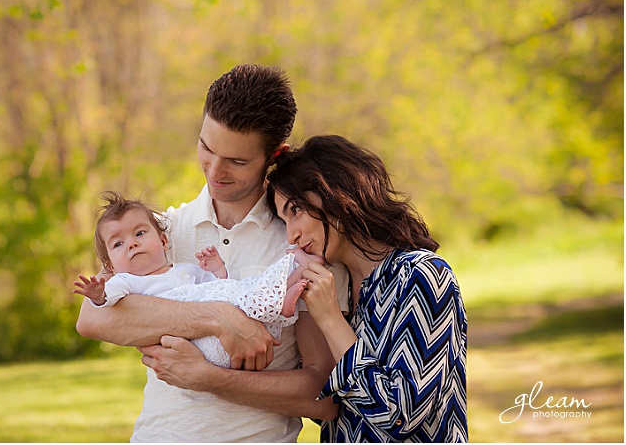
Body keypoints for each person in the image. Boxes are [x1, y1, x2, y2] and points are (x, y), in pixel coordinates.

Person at [75, 64, 345, 442]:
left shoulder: (300, 242)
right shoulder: (164, 230)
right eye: (206, 147)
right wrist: (219, 318)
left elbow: (321, 391)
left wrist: (211, 379)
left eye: (237, 161)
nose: (215, 171)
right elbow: (93, 319)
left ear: (274, 155)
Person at [156, 134, 468, 441]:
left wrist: (330, 319)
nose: (290, 236)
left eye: (295, 211)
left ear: (338, 192)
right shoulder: (339, 287)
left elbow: (401, 415)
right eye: (283, 219)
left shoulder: (422, 275)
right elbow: (325, 404)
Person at [73, 191, 308, 368]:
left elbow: (219, 284)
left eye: (140, 233)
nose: (132, 243)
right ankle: (282, 298)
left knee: (245, 288)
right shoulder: (127, 281)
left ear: (164, 241)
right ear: (111, 266)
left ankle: (286, 291)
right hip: (200, 344)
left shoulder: (184, 269)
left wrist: (217, 267)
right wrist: (97, 295)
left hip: (231, 325)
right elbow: (107, 300)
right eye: (118, 243)